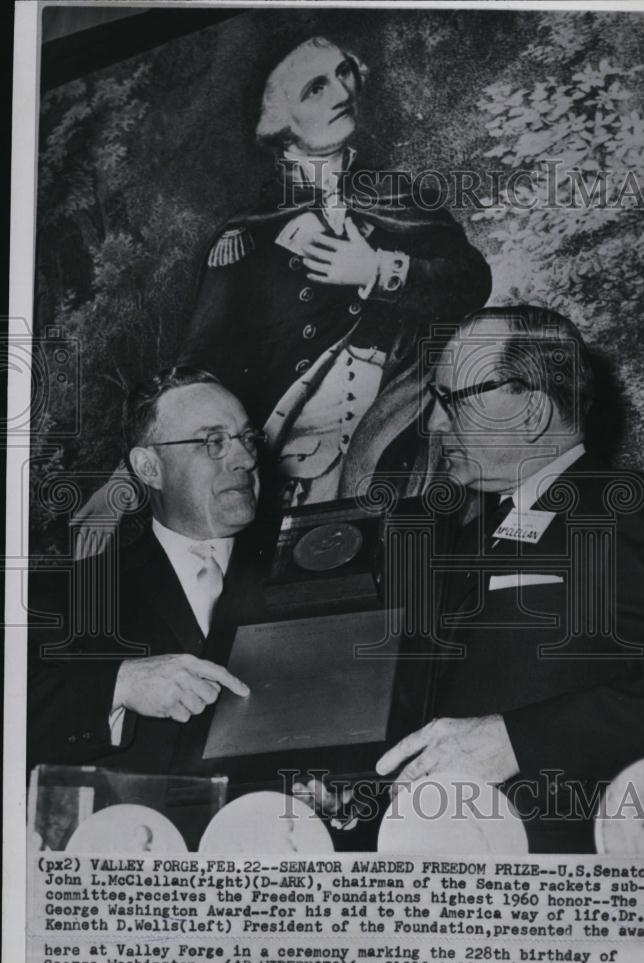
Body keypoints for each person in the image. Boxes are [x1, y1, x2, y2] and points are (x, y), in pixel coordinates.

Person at [377, 306, 644, 852]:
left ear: (530, 408)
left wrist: (518, 740)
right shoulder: (455, 537)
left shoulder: (640, 509)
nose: (434, 426)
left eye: (449, 402)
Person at [179, 34, 492, 507]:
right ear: (276, 119)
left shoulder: (398, 193)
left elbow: (470, 281)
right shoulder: (247, 234)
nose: (343, 94)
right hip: (296, 453)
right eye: (316, 88)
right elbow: (200, 366)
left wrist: (378, 269)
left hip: (410, 423)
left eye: (344, 72)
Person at [27, 367, 268, 776]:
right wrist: (119, 684)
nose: (244, 458)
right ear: (149, 467)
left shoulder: (307, 572)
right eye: (213, 442)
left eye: (247, 438)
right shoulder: (71, 594)